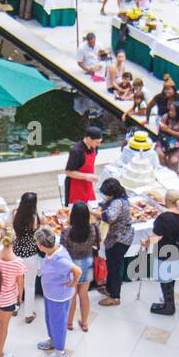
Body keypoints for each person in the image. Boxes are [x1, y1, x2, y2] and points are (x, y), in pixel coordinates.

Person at [35, 227, 80, 357]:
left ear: (42, 246)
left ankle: (60, 352)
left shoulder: (59, 259)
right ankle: (53, 340)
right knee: (50, 319)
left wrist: (73, 283)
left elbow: (77, 271)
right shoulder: (53, 250)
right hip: (50, 294)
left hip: (58, 296)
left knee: (58, 323)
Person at [147, 190, 179, 315]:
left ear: (167, 201)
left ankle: (168, 306)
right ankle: (167, 300)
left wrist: (146, 242)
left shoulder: (164, 218)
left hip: (166, 253)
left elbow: (156, 237)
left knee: (165, 279)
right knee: (171, 276)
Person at [60, 201, 101, 331]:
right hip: (87, 263)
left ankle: (69, 323)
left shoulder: (67, 231)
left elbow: (62, 249)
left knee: (72, 295)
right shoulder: (93, 229)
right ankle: (84, 323)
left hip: (72, 265)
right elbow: (97, 242)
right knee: (84, 294)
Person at [98, 178, 132, 307]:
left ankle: (115, 296)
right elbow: (104, 204)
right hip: (116, 237)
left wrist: (95, 213)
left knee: (115, 268)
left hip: (119, 239)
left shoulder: (118, 203)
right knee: (111, 265)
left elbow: (110, 217)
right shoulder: (118, 198)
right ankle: (109, 288)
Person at [8, 192, 41, 323]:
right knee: (30, 285)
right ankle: (28, 314)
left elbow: (9, 225)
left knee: (15, 282)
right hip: (30, 255)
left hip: (16, 253)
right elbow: (37, 232)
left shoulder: (16, 214)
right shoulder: (34, 218)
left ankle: (15, 306)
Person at [151, 84, 179, 172]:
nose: (170, 112)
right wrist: (167, 130)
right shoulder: (165, 117)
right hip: (164, 141)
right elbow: (161, 130)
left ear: (178, 112)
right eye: (170, 110)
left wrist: (168, 129)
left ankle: (173, 173)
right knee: (160, 155)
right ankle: (164, 171)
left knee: (173, 161)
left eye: (172, 110)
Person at [64, 125, 103, 205]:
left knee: (92, 206)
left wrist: (89, 177)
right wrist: (87, 176)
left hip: (88, 183)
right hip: (75, 186)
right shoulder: (76, 151)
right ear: (88, 139)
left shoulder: (94, 147)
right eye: (97, 142)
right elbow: (68, 172)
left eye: (100, 142)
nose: (99, 145)